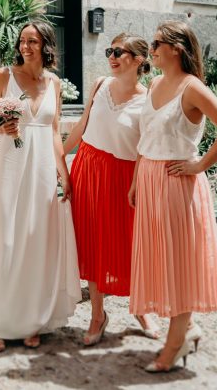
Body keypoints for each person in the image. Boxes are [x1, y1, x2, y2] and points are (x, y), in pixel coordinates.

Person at [128, 21, 217, 372]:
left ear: (176, 48)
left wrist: (199, 165)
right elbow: (145, 137)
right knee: (161, 259)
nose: (152, 49)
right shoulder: (154, 84)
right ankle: (188, 328)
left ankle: (174, 345)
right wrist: (136, 180)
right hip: (149, 180)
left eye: (157, 43)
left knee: (177, 263)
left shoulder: (192, 88)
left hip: (178, 185)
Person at [0, 20, 81, 352]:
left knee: (37, 242)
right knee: (5, 241)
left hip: (41, 170)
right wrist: (2, 126)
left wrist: (63, 173)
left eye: (32, 41)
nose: (25, 46)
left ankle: (32, 320)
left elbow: (53, 132)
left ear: (46, 45)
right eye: (22, 41)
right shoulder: (3, 77)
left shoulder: (53, 83)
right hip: (11, 166)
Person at [62, 33, 162, 346]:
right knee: (92, 243)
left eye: (119, 52)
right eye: (110, 51)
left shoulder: (148, 99)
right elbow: (81, 126)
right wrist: (57, 159)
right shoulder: (100, 85)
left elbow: (146, 146)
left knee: (130, 245)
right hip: (88, 169)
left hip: (124, 177)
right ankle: (97, 314)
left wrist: (138, 183)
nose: (112, 57)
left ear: (139, 60)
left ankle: (141, 308)